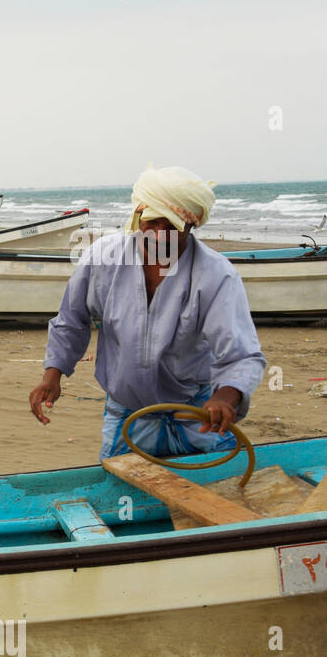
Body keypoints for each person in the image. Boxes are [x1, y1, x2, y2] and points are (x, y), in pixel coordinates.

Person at [29, 166, 266, 460]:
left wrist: (225, 398)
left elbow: (242, 355)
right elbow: (71, 321)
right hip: (126, 416)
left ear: (190, 226)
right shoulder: (103, 259)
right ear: (138, 218)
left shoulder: (217, 276)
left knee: (212, 493)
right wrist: (53, 375)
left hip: (196, 417)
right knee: (120, 496)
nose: (159, 236)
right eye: (152, 223)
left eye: (171, 227)